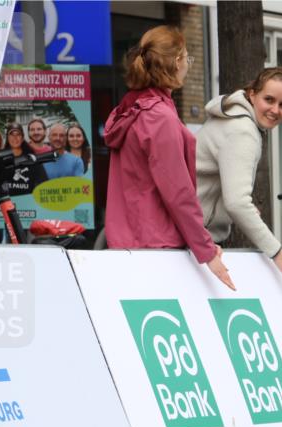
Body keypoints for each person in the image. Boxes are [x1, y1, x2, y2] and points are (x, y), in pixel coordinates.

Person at [104, 25, 234, 290]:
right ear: (177, 62)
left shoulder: (130, 111)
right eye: (188, 58)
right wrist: (206, 250)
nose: (188, 64)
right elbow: (178, 193)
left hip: (127, 241)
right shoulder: (159, 118)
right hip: (157, 245)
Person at [196, 66, 282, 287]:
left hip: (191, 234)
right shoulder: (243, 131)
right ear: (252, 94)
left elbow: (222, 187)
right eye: (269, 99)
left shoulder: (234, 118)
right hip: (191, 237)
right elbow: (237, 202)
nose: (275, 110)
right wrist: (276, 251)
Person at [1, 122, 48, 196]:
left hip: (27, 203)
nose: (15, 137)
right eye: (12, 134)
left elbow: (43, 183)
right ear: (7, 138)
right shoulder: (1, 160)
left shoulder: (32, 159)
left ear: (22, 138)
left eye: (18, 134)